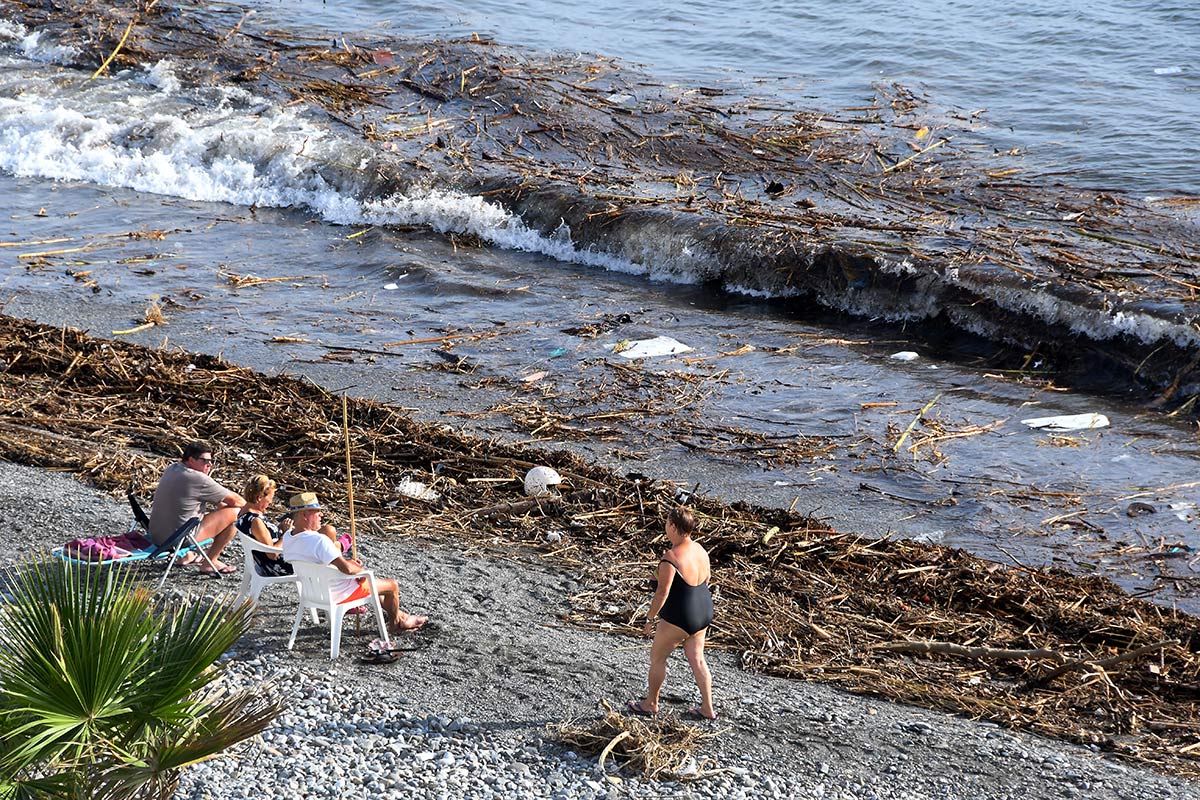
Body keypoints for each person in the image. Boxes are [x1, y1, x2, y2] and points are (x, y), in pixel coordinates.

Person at [281, 492, 428, 634]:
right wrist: (358, 569)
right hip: (338, 593)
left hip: (313, 592)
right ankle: (396, 625)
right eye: (316, 511)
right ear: (304, 515)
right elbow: (347, 569)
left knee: (376, 588)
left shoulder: (288, 537)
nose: (321, 515)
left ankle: (403, 617)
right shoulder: (319, 540)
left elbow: (321, 564)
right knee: (391, 585)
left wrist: (350, 564)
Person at [628, 506, 716, 721]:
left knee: (657, 658)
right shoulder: (700, 550)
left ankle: (650, 703)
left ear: (674, 527)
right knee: (698, 659)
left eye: (667, 524)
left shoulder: (670, 557)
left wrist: (650, 619)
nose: (665, 527)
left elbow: (662, 592)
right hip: (703, 611)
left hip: (680, 615)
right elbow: (706, 580)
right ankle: (707, 708)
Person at [149, 440, 245, 575]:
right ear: (191, 460)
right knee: (237, 513)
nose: (209, 465)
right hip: (177, 539)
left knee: (187, 513)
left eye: (211, 460)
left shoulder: (173, 468)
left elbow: (218, 500)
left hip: (157, 535)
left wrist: (222, 507)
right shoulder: (199, 479)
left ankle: (186, 555)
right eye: (205, 461)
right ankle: (210, 562)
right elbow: (238, 502)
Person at [235, 475, 293, 578]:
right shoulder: (255, 521)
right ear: (260, 497)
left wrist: (279, 529)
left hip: (266, 564)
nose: (271, 502)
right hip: (278, 566)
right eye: (270, 498)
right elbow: (272, 554)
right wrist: (286, 534)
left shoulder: (243, 514)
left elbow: (263, 537)